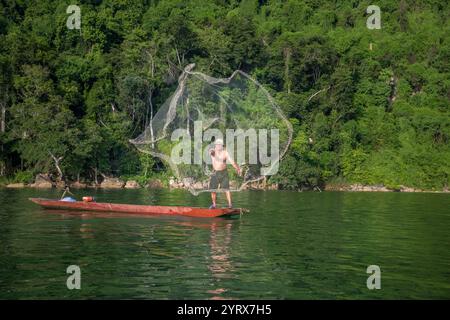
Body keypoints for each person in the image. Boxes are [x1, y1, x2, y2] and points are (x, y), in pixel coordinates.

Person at [208, 139, 240, 208]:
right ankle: (214, 205)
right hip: (215, 173)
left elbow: (232, 161)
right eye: (217, 144)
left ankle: (230, 205)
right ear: (215, 145)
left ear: (222, 146)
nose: (218, 146)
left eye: (220, 145)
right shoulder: (213, 151)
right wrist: (211, 151)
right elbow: (211, 152)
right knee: (213, 190)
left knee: (226, 189)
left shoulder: (225, 153)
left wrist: (237, 168)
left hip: (224, 173)